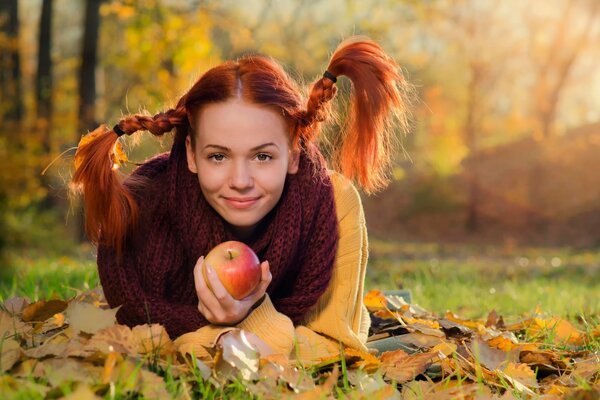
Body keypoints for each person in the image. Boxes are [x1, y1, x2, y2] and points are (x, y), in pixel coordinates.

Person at [71, 36, 412, 363]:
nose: (240, 182)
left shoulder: (333, 203)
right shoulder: (142, 205)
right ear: (191, 154)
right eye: (218, 156)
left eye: (262, 157)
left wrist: (242, 320)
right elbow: (132, 335)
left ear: (294, 152)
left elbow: (337, 349)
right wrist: (229, 337)